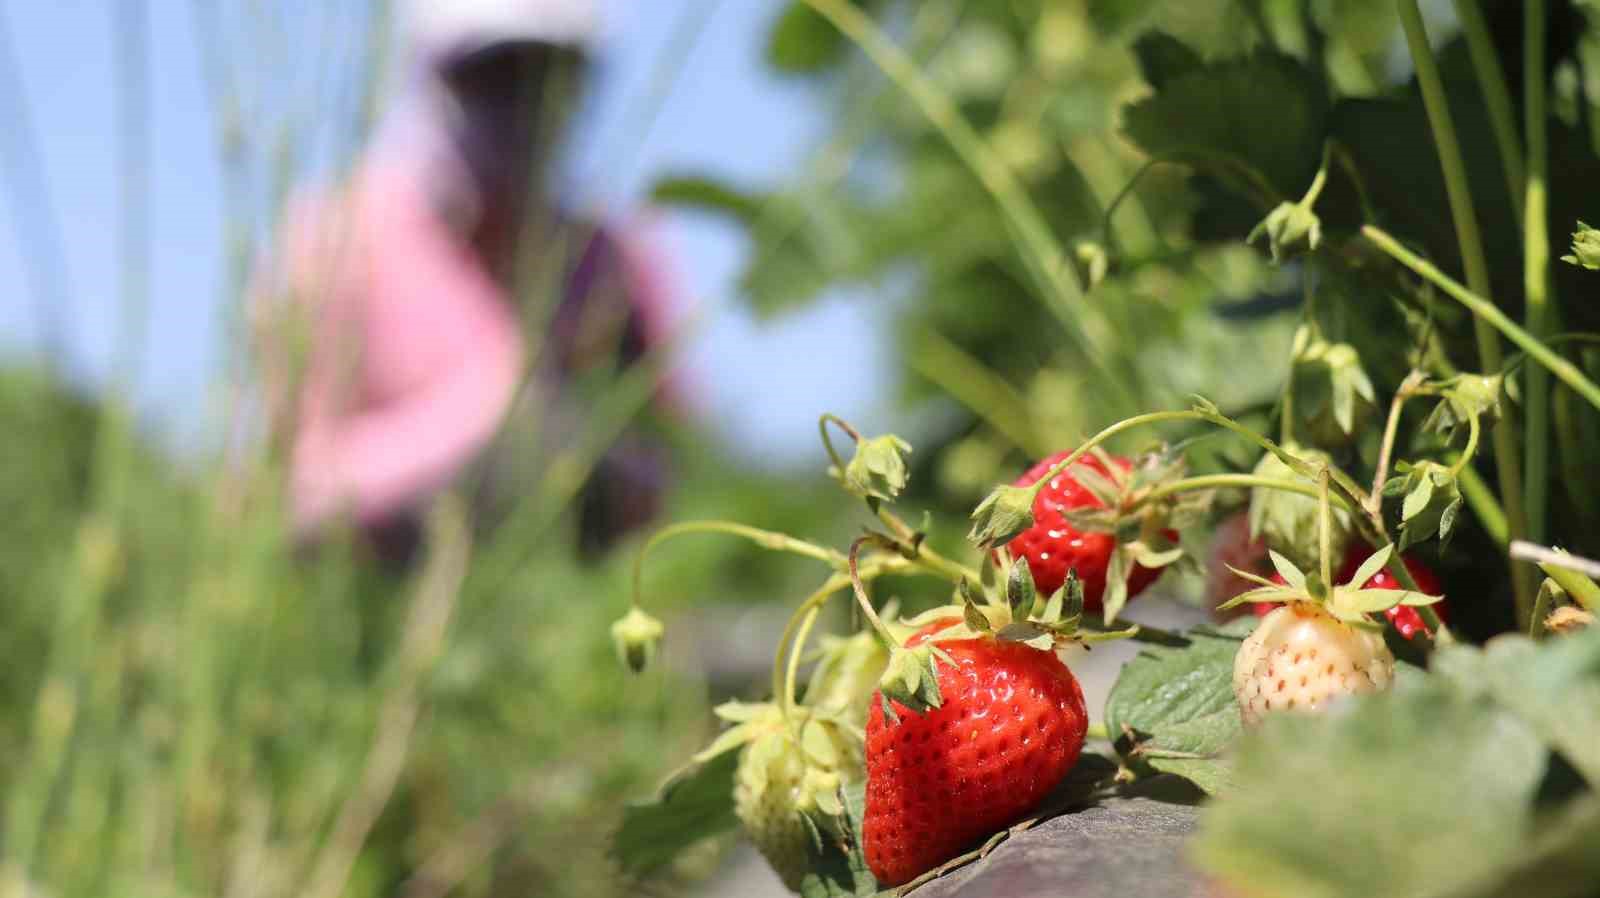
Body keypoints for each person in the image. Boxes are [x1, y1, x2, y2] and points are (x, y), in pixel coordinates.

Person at [255, 0, 680, 564]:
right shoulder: (333, 240)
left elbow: (676, 463)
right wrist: (491, 409)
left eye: (552, 75)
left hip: (573, 589)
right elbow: (284, 498)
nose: (525, 105)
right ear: (433, 78)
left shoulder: (616, 260)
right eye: (494, 73)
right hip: (378, 589)